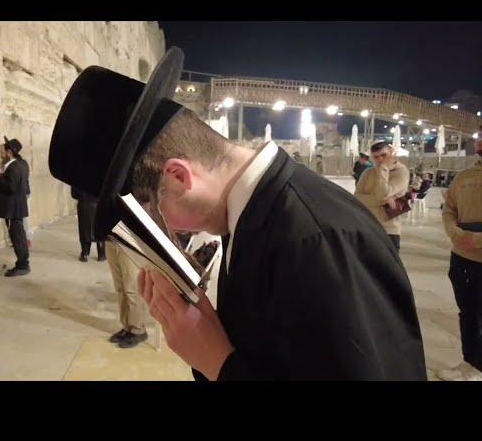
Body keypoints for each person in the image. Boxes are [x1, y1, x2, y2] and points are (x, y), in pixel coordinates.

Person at [48, 48, 426, 380]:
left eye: (151, 214)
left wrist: (218, 363)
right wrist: (202, 331)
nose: (166, 231)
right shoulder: (247, 219)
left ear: (178, 176)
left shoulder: (317, 238)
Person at [437, 133, 482, 381]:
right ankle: (470, 362)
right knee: (468, 311)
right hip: (462, 257)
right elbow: (449, 209)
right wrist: (455, 234)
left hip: (472, 248)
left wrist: (473, 239)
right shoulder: (464, 177)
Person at [355, 141, 410, 252]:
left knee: (388, 268)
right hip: (367, 225)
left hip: (389, 229)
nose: (380, 159)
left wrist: (384, 168)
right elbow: (356, 198)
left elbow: (383, 194)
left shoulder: (401, 172)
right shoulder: (368, 173)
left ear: (391, 152)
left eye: (384, 155)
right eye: (376, 157)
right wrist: (383, 199)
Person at [0, 136, 30, 277]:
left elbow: (11, 188)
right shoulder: (20, 164)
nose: (0, 153)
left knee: (17, 237)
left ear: (9, 152)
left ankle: (22, 265)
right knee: (18, 236)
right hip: (16, 207)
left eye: (2, 151)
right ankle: (22, 263)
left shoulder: (13, 167)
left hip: (12, 208)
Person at [105, 240, 147, 348]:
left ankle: (138, 330)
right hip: (110, 238)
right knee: (120, 288)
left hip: (128, 239)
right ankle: (127, 327)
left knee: (131, 289)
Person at [71, 186, 106, 262]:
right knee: (99, 228)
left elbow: (74, 194)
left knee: (84, 229)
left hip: (84, 204)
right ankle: (101, 254)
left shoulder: (77, 174)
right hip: (99, 203)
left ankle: (85, 253)